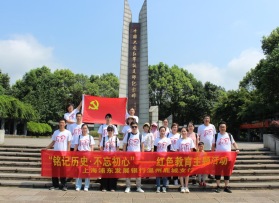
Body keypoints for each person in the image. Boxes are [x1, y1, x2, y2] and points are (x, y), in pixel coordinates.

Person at [44, 118, 72, 191]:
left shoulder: (68, 132)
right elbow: (53, 142)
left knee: (63, 171)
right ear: (58, 124)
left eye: (63, 122)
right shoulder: (56, 132)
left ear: (65, 124)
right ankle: (55, 185)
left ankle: (64, 185)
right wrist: (46, 148)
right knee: (55, 170)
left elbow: (69, 144)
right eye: (60, 122)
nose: (61, 124)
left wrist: (68, 154)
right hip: (56, 154)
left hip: (64, 154)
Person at [212, 121, 240, 193]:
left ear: (226, 127)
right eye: (221, 127)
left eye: (223, 127)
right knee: (218, 171)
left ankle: (226, 186)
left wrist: (237, 148)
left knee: (227, 171)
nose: (222, 128)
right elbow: (213, 146)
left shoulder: (229, 135)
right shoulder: (216, 136)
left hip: (228, 157)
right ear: (219, 128)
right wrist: (212, 154)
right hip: (218, 157)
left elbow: (234, 143)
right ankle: (218, 186)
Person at [122, 121, 145, 193]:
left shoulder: (140, 135)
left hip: (137, 156)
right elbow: (124, 145)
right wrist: (124, 155)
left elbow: (142, 146)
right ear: (131, 127)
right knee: (128, 171)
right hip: (129, 156)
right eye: (133, 127)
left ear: (137, 127)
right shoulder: (128, 135)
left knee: (138, 172)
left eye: (135, 126)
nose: (134, 128)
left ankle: (138, 186)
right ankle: (128, 186)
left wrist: (142, 155)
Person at [74, 124, 95, 192]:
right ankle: (78, 186)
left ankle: (86, 186)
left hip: (87, 154)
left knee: (87, 171)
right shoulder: (79, 137)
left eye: (86, 128)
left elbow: (92, 147)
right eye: (83, 128)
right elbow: (76, 146)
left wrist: (91, 156)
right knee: (79, 170)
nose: (84, 129)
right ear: (81, 129)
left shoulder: (90, 137)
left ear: (87, 129)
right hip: (80, 154)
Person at [100, 125, 120, 192]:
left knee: (112, 172)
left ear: (113, 131)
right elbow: (101, 148)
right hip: (105, 157)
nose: (110, 131)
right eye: (108, 130)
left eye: (111, 130)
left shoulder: (116, 139)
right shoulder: (104, 138)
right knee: (105, 172)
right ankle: (104, 187)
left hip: (113, 157)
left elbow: (117, 149)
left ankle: (112, 187)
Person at [176, 127, 195, 193]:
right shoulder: (179, 140)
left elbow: (192, 150)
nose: (184, 132)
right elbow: (177, 150)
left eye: (185, 131)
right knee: (181, 172)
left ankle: (186, 186)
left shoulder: (190, 140)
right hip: (181, 158)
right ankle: (182, 186)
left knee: (187, 173)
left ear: (187, 132)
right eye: (182, 131)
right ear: (181, 132)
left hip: (188, 159)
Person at [197, 115, 216, 179]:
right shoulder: (200, 127)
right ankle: (201, 173)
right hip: (203, 148)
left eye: (208, 119)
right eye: (205, 118)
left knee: (210, 161)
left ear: (210, 120)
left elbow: (214, 136)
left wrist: (214, 146)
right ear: (203, 120)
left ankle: (210, 173)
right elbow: (198, 136)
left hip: (211, 147)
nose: (207, 120)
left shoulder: (212, 126)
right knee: (202, 162)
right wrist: (198, 146)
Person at [154, 126, 171, 193]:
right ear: (159, 131)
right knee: (158, 173)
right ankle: (158, 186)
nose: (162, 132)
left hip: (165, 158)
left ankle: (164, 186)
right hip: (158, 158)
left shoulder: (168, 139)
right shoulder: (156, 139)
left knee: (165, 172)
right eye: (161, 131)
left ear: (165, 131)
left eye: (163, 131)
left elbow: (169, 149)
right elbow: (155, 149)